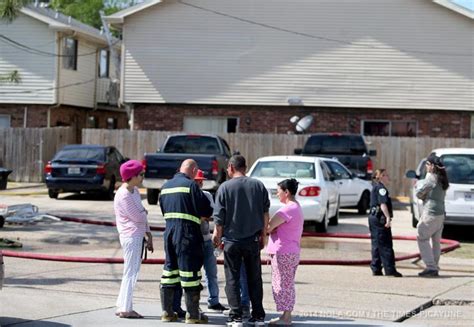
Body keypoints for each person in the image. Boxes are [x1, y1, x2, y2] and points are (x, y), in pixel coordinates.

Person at [212, 155, 270, 326]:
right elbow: (265, 213)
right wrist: (264, 235)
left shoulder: (224, 188)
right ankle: (258, 315)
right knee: (255, 278)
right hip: (253, 241)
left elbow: (219, 219)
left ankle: (236, 316)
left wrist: (217, 236)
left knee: (232, 278)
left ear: (230, 167)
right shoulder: (258, 186)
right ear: (245, 167)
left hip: (231, 241)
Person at [159, 159, 213, 324]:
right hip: (187, 234)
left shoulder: (165, 187)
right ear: (194, 169)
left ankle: (167, 313)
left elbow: (163, 210)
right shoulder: (191, 186)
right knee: (191, 274)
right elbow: (206, 210)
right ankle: (193, 315)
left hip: (169, 233)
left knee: (170, 273)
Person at [173, 170, 228, 316]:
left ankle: (214, 300)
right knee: (192, 275)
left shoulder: (207, 195)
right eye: (197, 180)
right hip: (192, 241)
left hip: (205, 239)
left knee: (211, 272)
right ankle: (192, 304)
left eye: (200, 181)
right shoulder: (187, 195)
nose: (199, 183)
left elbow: (211, 215)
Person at [114, 159, 153, 319]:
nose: (142, 177)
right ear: (132, 176)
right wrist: (144, 213)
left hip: (138, 234)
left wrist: (148, 233)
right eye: (140, 174)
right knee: (131, 272)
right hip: (130, 236)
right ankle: (126, 308)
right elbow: (138, 215)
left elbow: (141, 216)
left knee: (131, 271)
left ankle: (122, 304)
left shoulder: (134, 191)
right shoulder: (123, 195)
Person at [267, 179, 304, 326]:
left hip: (284, 252)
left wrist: (272, 228)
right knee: (286, 283)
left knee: (283, 284)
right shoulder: (296, 207)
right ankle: (285, 315)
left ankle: (286, 317)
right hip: (291, 251)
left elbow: (269, 226)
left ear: (286, 192)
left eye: (278, 191)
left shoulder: (287, 209)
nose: (277, 194)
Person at [415, 154, 449, 277]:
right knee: (436, 242)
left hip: (430, 214)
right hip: (440, 214)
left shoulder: (431, 178)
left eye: (427, 164)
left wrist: (417, 186)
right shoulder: (443, 179)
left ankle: (431, 267)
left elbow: (419, 194)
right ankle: (434, 266)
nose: (426, 166)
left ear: (432, 166)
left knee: (422, 237)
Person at [368, 169, 402, 277]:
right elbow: (383, 204)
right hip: (379, 219)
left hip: (373, 218)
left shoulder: (376, 187)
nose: (389, 177)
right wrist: (387, 217)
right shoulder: (381, 189)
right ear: (381, 176)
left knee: (377, 243)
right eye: (386, 175)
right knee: (386, 244)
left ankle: (376, 267)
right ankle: (390, 269)